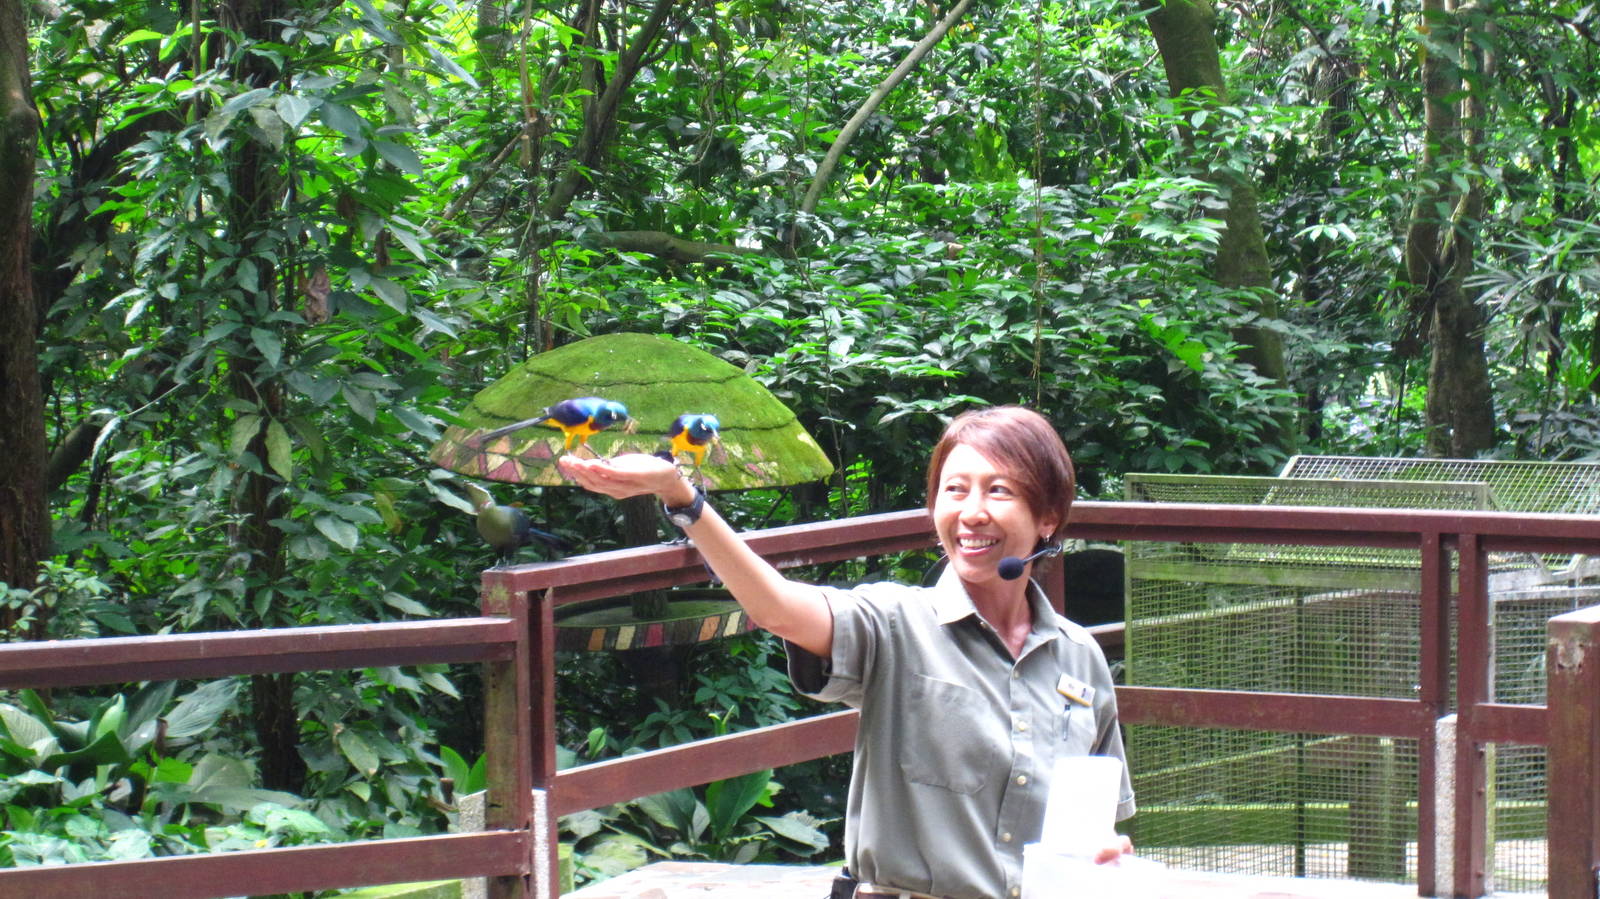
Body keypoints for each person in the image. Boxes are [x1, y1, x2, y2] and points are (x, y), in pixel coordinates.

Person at [558, 405, 1134, 899]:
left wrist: (1101, 852)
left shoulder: (1078, 658)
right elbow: (776, 608)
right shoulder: (893, 623)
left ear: (1048, 518)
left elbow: (1093, 829)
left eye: (999, 490)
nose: (971, 511)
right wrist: (681, 497)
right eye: (954, 489)